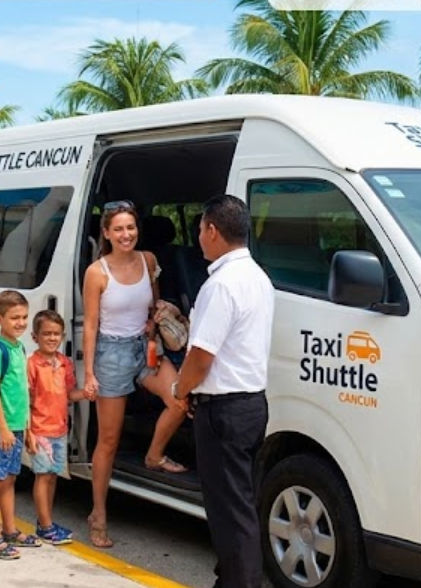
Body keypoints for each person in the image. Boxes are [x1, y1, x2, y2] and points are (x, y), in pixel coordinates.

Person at [168, 196, 274, 588]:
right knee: (240, 503)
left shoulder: (221, 284)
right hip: (250, 404)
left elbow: (201, 356)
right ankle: (230, 577)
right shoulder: (258, 277)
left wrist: (181, 389)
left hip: (225, 411)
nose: (198, 239)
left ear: (212, 230)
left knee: (229, 511)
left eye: (199, 230)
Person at [80, 200, 185, 549]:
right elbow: (91, 325)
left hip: (145, 347)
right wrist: (90, 373)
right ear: (107, 233)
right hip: (111, 352)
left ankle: (153, 455)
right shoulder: (97, 272)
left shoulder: (149, 260)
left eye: (131, 228)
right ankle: (98, 514)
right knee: (108, 441)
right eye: (119, 229)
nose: (126, 235)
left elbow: (153, 305)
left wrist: (155, 332)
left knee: (179, 399)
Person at [0, 290, 38, 560]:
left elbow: (22, 393)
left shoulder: (19, 347)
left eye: (24, 317)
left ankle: (10, 530)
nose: (21, 323)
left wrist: (26, 429)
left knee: (10, 480)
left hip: (16, 427)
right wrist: (3, 428)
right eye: (14, 317)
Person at [26, 309, 87, 546]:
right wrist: (28, 430)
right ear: (35, 337)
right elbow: (27, 400)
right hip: (40, 431)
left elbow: (68, 395)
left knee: (52, 477)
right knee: (42, 477)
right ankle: (46, 525)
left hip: (59, 429)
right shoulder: (32, 365)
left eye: (57, 334)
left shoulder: (64, 363)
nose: (52, 338)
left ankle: (45, 523)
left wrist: (85, 393)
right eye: (47, 334)